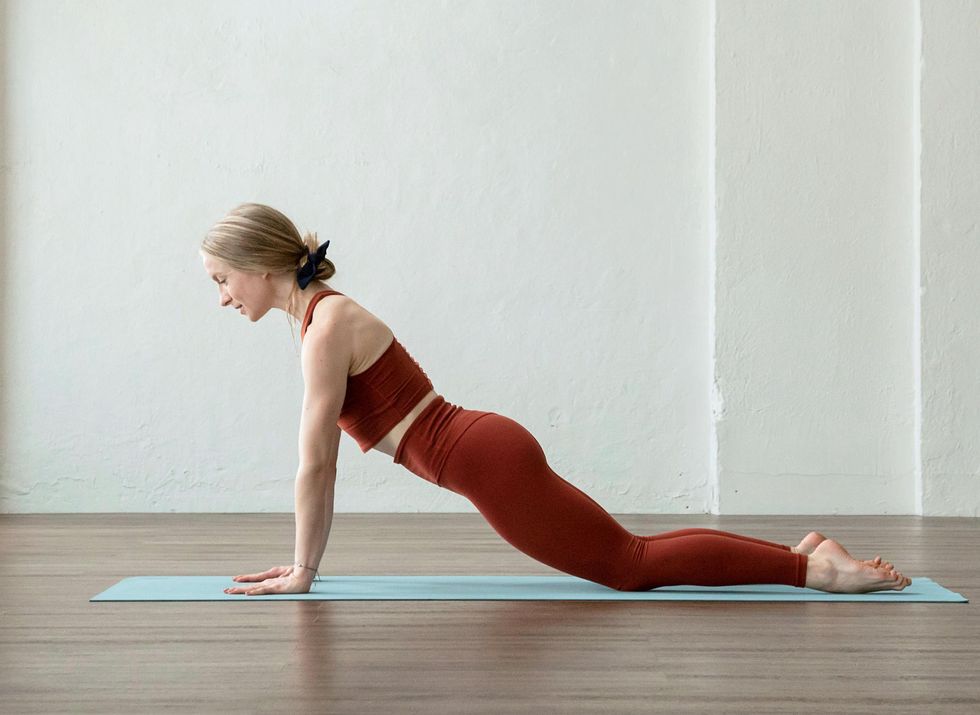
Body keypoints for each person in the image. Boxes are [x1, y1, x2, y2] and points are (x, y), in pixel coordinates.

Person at [200, 203, 911, 597]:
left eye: (223, 280)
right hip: (485, 452)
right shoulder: (317, 320)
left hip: (485, 461)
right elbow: (319, 465)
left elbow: (315, 466)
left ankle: (813, 570)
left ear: (262, 266)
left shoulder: (325, 327)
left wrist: (303, 571)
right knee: (631, 555)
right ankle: (806, 554)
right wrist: (303, 568)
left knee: (630, 564)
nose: (223, 297)